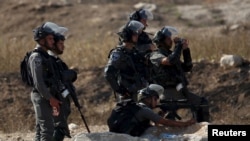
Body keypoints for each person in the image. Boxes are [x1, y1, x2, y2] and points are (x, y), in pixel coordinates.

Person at [149, 26, 210, 122]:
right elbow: (170, 61)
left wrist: (185, 50)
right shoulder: (155, 55)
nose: (171, 41)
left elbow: (187, 67)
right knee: (170, 115)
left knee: (202, 103)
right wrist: (178, 46)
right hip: (167, 93)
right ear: (161, 41)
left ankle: (202, 127)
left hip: (180, 91)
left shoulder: (171, 54)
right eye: (168, 39)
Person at [107, 84, 196, 137]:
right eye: (155, 98)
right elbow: (166, 122)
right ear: (149, 99)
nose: (157, 101)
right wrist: (186, 124)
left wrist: (161, 114)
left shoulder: (136, 107)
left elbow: (153, 126)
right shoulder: (144, 110)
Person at [29, 23, 61, 141]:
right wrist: (50, 98)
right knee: (47, 130)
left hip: (46, 95)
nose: (53, 41)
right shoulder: (36, 57)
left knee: (40, 130)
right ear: (42, 41)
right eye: (50, 39)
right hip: (41, 96)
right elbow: (38, 82)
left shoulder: (45, 56)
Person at [104, 20, 149, 102]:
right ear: (128, 35)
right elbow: (108, 73)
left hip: (140, 93)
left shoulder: (135, 51)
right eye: (135, 34)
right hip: (128, 96)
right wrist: (121, 91)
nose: (137, 36)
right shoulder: (118, 53)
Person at [46, 22, 75, 140]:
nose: (63, 46)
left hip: (61, 98)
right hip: (55, 99)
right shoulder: (49, 59)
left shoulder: (56, 60)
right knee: (58, 128)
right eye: (61, 43)